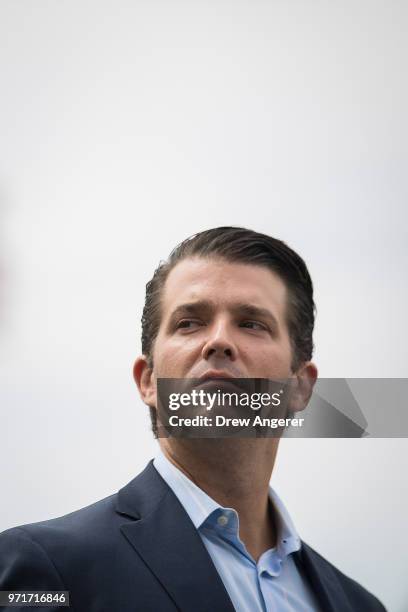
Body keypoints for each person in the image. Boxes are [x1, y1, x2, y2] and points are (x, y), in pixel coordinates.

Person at [0, 227, 385, 611]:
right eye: (189, 323)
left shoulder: (361, 605)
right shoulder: (47, 567)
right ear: (148, 381)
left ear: (300, 388)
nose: (218, 341)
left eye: (251, 323)